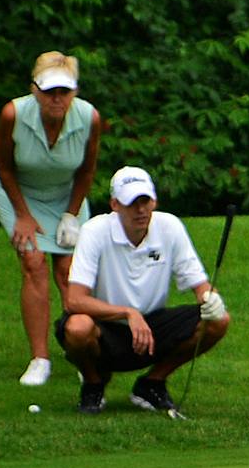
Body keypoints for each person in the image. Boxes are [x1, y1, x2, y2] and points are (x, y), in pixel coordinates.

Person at [58, 167, 231, 418]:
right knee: (77, 328)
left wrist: (210, 299)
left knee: (219, 321)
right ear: (115, 205)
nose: (140, 210)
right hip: (106, 327)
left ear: (154, 201)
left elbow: (199, 284)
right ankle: (93, 384)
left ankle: (152, 383)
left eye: (145, 201)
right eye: (132, 203)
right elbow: (74, 300)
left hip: (153, 326)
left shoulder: (169, 226)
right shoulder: (95, 231)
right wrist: (128, 313)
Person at [0, 51, 106, 388]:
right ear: (35, 90)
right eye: (49, 91)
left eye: (64, 91)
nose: (57, 98)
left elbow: (87, 171)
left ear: (75, 92)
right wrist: (23, 216)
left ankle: (83, 352)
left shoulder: (89, 117)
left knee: (70, 270)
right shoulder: (13, 113)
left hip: (66, 193)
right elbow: (5, 167)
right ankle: (40, 359)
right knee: (33, 261)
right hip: (18, 190)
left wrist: (71, 214)